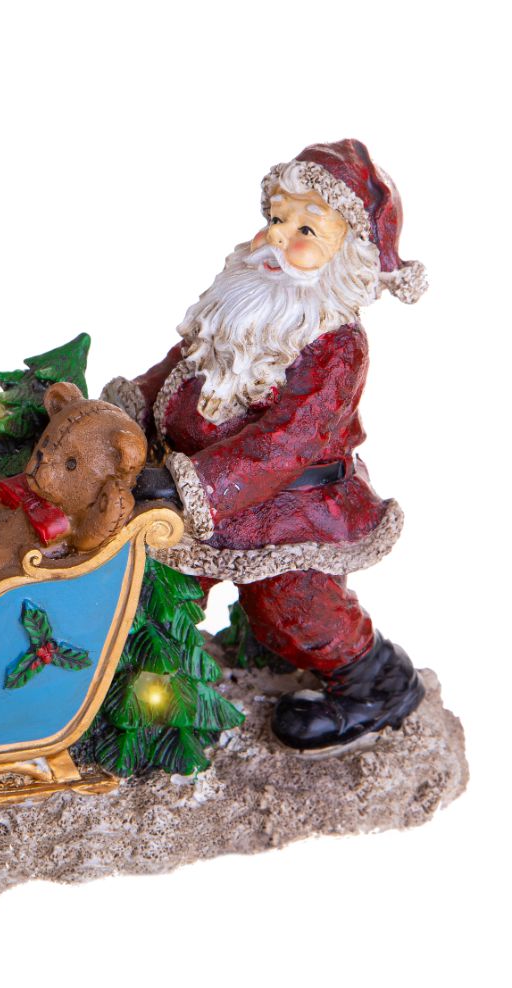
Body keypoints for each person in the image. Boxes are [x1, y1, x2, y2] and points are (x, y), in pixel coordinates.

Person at [102, 139, 427, 751]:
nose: (278, 237)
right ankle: (143, 689)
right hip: (191, 494)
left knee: (293, 607)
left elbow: (286, 442)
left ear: (346, 257)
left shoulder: (335, 345)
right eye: (276, 218)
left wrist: (192, 485)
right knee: (154, 587)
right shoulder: (238, 308)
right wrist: (124, 413)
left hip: (287, 509)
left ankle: (374, 681)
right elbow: (177, 371)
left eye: (306, 229)